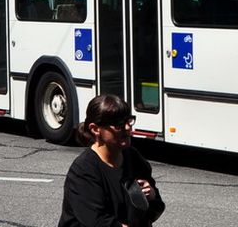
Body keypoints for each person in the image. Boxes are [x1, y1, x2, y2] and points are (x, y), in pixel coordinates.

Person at [59, 94, 165, 227]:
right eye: (119, 124)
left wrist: (152, 196)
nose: (127, 128)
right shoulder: (83, 171)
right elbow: (96, 221)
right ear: (95, 129)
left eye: (128, 121)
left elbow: (153, 211)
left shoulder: (133, 158)